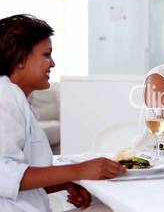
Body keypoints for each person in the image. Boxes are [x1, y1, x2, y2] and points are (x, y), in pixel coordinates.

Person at [0, 14, 125, 212]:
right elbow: (4, 174)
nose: (52, 63)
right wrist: (78, 170)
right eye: (46, 54)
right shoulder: (4, 98)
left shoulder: (15, 97)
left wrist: (67, 182)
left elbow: (17, 179)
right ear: (21, 58)